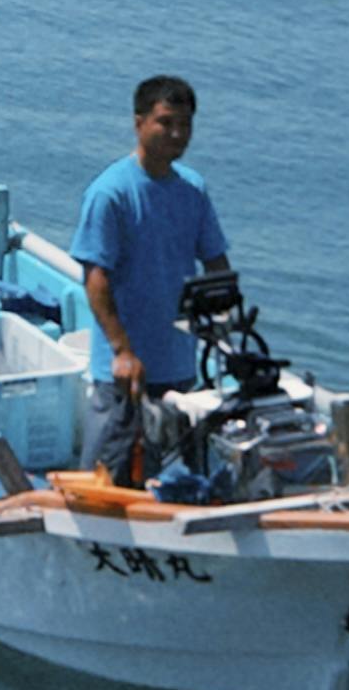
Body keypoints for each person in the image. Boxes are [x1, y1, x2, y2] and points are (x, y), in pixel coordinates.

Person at [72, 75, 234, 480]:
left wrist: (226, 320)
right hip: (126, 374)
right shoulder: (110, 193)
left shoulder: (192, 189)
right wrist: (122, 350)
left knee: (180, 475)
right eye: (165, 122)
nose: (177, 134)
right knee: (108, 473)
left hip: (179, 367)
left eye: (185, 124)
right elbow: (95, 278)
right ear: (139, 122)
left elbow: (216, 263)